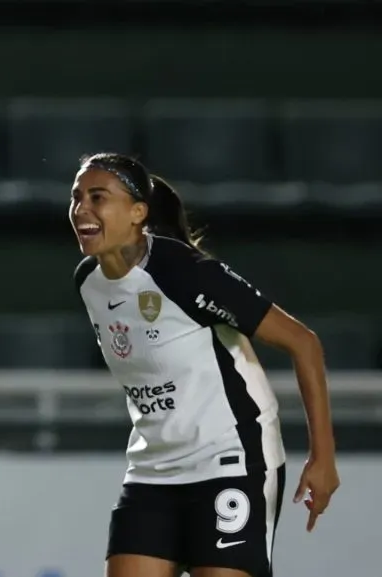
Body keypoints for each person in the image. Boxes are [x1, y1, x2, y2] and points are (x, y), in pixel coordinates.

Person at [69, 153, 340, 577]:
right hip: (152, 470)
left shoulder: (184, 272)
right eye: (77, 197)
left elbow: (304, 343)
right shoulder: (89, 281)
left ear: (138, 212)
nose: (81, 209)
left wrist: (322, 458)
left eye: (97, 197)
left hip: (229, 460)